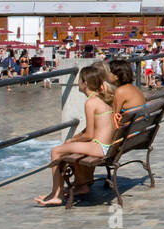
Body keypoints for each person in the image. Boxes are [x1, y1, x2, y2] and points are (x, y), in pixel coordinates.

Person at [36, 64, 117, 207]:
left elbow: (90, 134)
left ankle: (58, 194)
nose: (77, 83)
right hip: (107, 146)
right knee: (66, 148)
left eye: (79, 80)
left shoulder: (91, 102)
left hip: (99, 147)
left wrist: (72, 140)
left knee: (56, 151)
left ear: (85, 84)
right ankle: (59, 191)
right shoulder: (101, 99)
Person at [107, 58, 147, 126]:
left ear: (116, 77)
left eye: (108, 71)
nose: (106, 74)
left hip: (129, 132)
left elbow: (113, 117)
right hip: (139, 129)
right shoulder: (135, 88)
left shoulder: (120, 91)